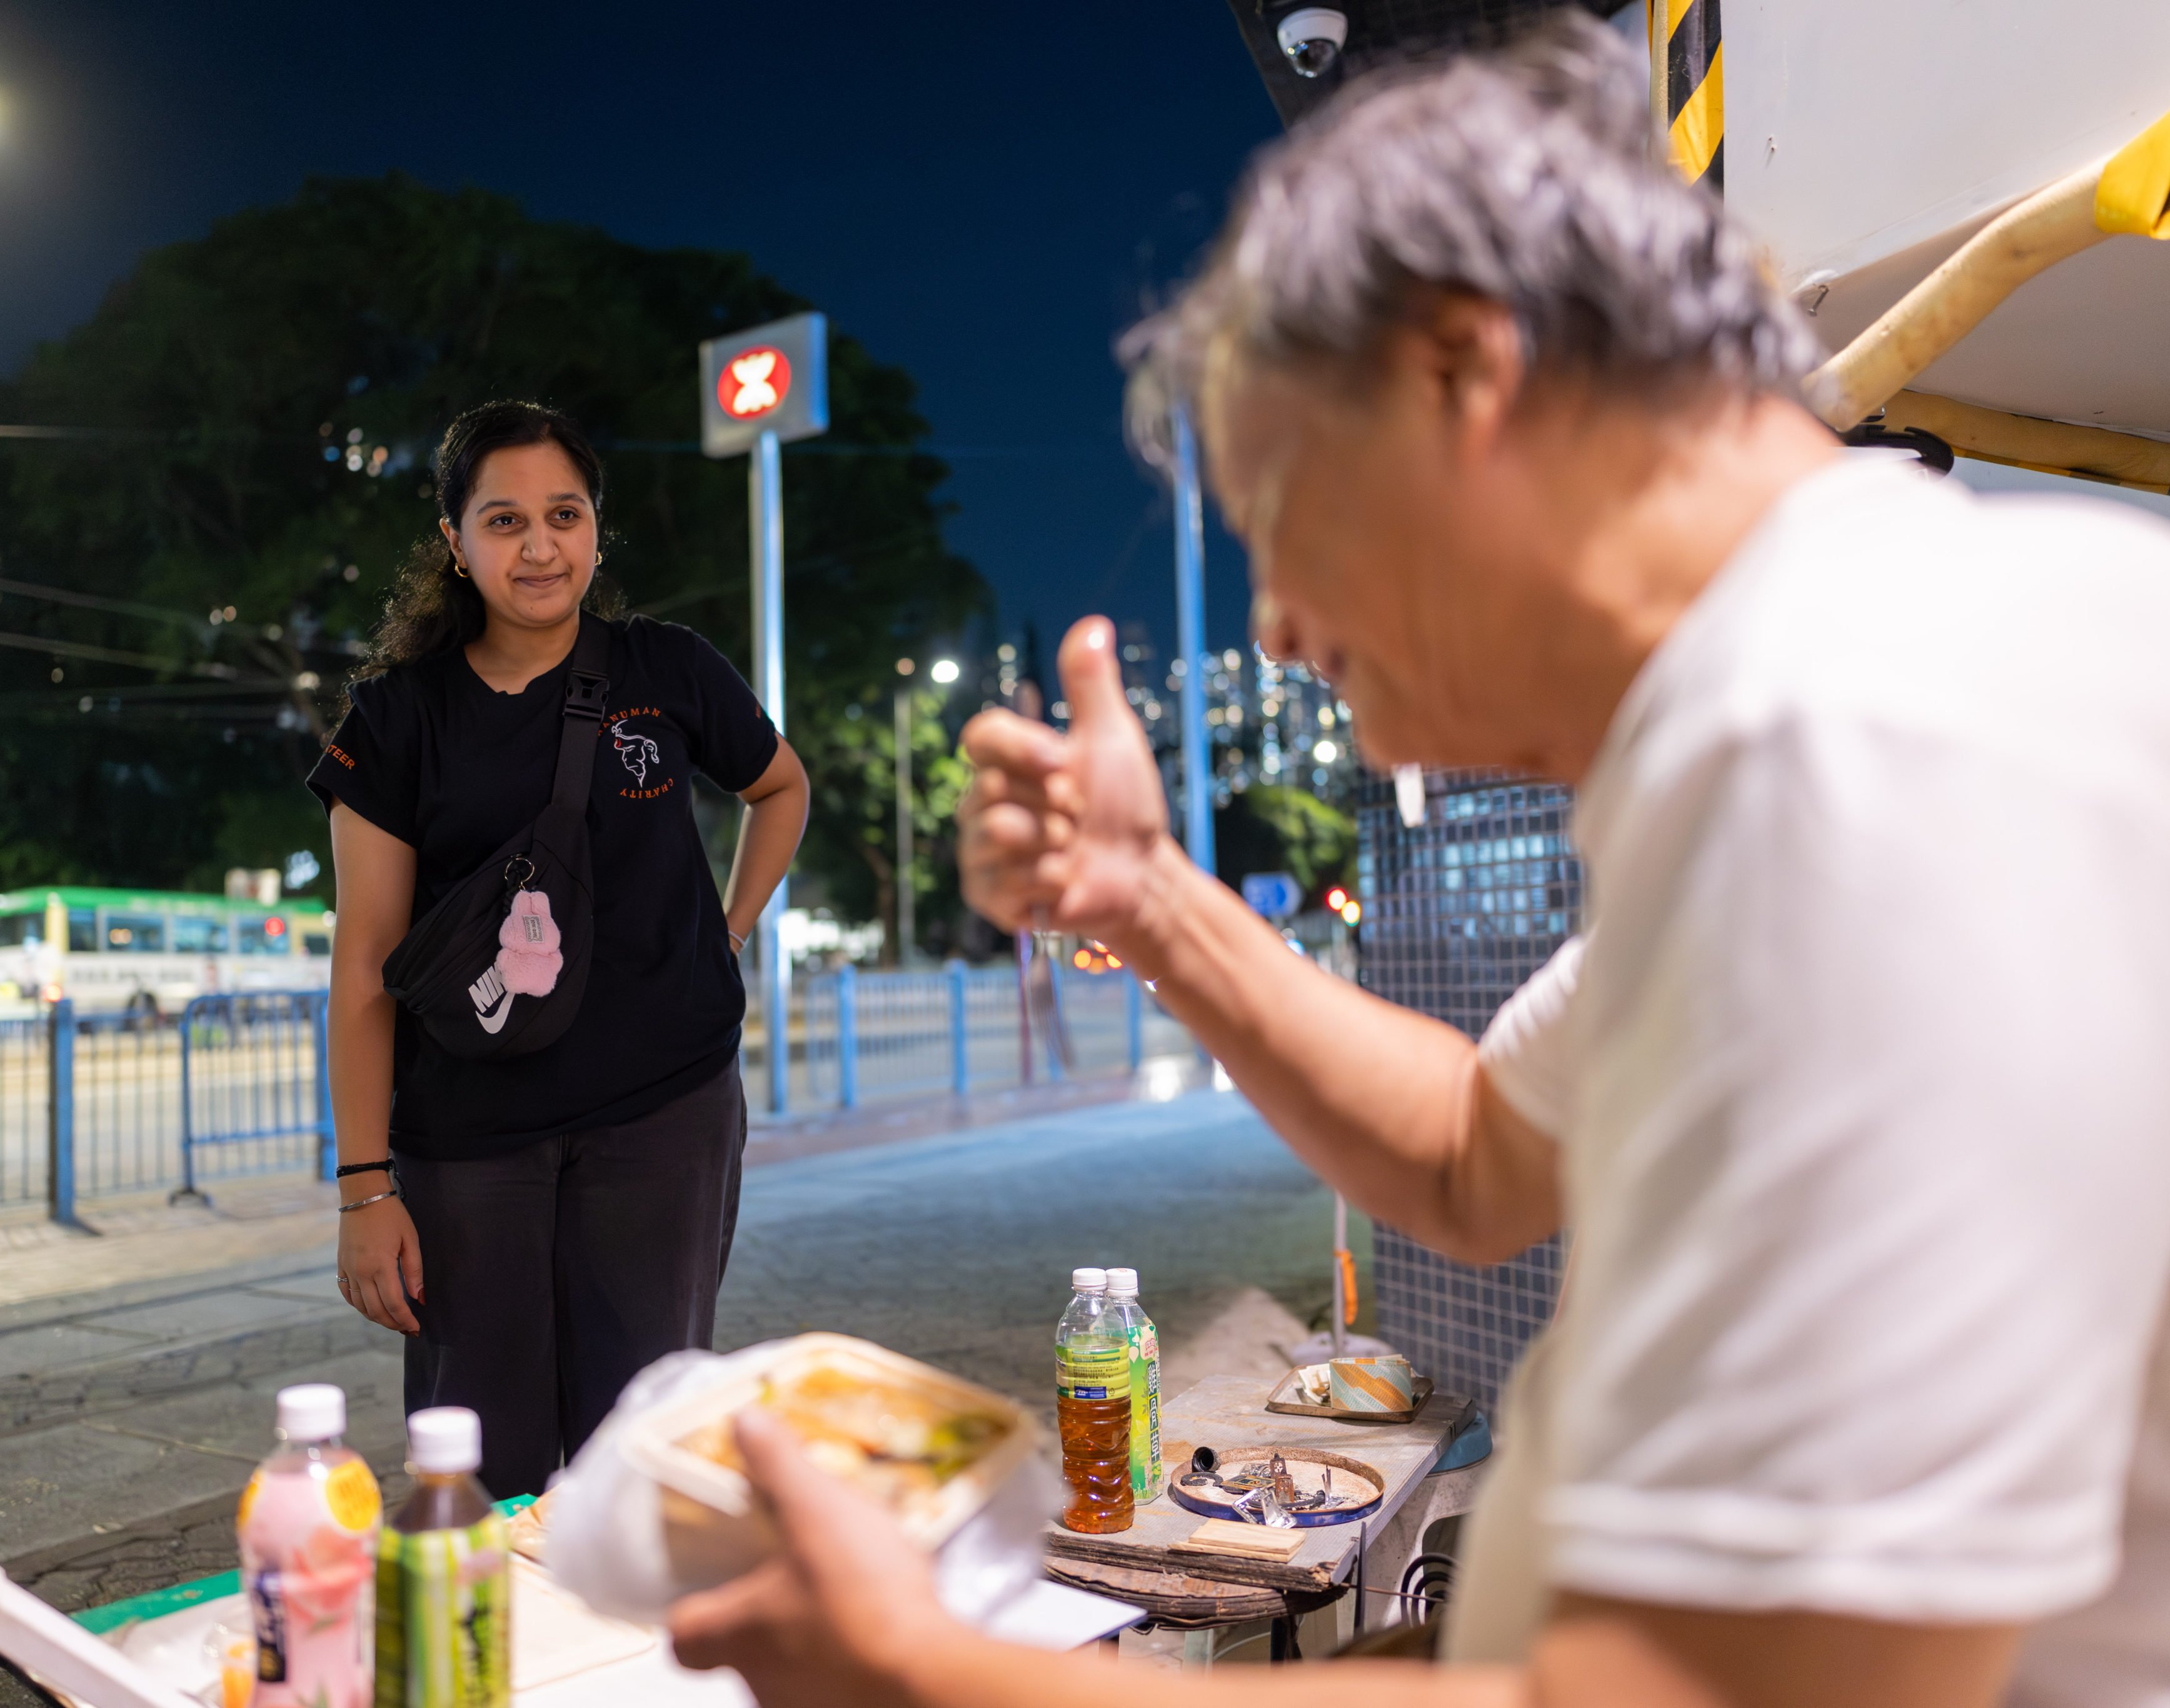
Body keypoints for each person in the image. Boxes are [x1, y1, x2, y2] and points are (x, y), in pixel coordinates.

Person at [665, 21, 2170, 1708]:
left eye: (1286, 512)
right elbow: (1474, 1150)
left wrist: (926, 1671)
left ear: (1469, 372)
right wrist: (1151, 900)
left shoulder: (1856, 745)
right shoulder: (1827, 686)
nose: (1288, 629)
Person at [312, 399, 808, 1499]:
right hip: (466, 1142)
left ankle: (633, 1668)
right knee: (477, 1459)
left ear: (595, 528)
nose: (538, 546)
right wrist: (362, 1190)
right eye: (503, 521)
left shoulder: (666, 669)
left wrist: (728, 931)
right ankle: (495, 1664)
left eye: (564, 515)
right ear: (454, 541)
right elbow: (364, 967)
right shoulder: (397, 721)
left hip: (665, 1113)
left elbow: (781, 785)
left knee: (647, 1444)